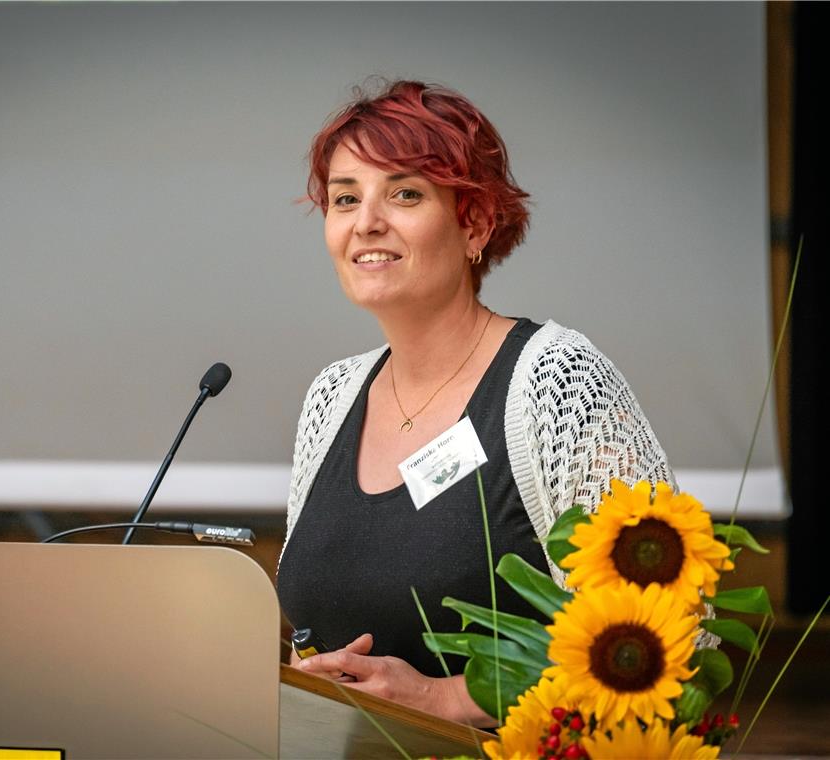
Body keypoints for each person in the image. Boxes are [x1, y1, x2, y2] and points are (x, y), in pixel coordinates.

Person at [275, 80, 675, 727]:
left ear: (476, 225)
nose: (366, 221)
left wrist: (445, 699)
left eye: (405, 193)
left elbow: (669, 627)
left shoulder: (556, 380)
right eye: (345, 198)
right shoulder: (333, 394)